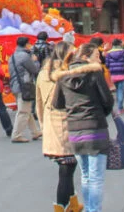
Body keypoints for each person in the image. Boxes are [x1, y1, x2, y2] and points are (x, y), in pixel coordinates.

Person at [53, 43, 114, 212]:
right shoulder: (94, 73)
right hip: (95, 128)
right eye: (96, 55)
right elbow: (108, 100)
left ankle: (89, 209)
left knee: (86, 175)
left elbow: (57, 103)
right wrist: (100, 112)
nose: (99, 58)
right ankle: (92, 210)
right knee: (96, 178)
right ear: (86, 57)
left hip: (74, 130)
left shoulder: (63, 76)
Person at [35, 41, 81, 212]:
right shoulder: (67, 73)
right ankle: (62, 207)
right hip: (66, 123)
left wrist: (43, 125)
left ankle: (72, 204)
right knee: (67, 168)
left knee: (67, 166)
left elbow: (38, 103)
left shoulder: (42, 74)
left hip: (50, 122)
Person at [9, 36, 42, 142]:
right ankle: (17, 135)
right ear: (26, 44)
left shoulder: (13, 56)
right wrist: (35, 61)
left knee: (25, 109)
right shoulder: (25, 56)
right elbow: (35, 70)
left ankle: (35, 132)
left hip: (15, 85)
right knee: (23, 111)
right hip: (24, 86)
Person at [104, 38, 124, 115]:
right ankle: (120, 108)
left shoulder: (108, 53)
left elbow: (107, 65)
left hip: (113, 74)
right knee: (121, 90)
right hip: (122, 73)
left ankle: (120, 107)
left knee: (117, 90)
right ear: (119, 44)